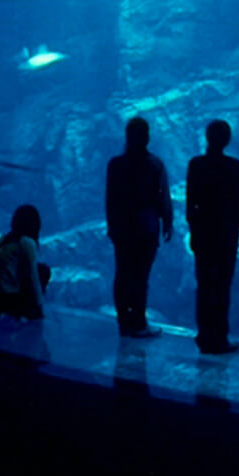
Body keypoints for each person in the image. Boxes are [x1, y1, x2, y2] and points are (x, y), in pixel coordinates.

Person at [186, 119, 239, 355]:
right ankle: (220, 337)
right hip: (226, 233)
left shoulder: (196, 164)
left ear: (207, 137)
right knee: (222, 286)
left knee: (204, 284)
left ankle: (204, 335)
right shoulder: (235, 166)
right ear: (227, 140)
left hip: (203, 232)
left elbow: (191, 202)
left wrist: (193, 231)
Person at [106, 116, 173, 338]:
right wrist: (167, 221)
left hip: (123, 229)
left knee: (122, 273)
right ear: (147, 137)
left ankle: (124, 321)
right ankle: (138, 322)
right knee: (140, 277)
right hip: (146, 228)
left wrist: (112, 226)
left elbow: (110, 199)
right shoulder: (155, 164)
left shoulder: (115, 164)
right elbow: (163, 196)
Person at [0, 204, 51, 320]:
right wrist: (39, 308)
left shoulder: (4, 239)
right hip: (7, 299)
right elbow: (33, 277)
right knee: (43, 270)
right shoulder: (27, 242)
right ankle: (25, 311)